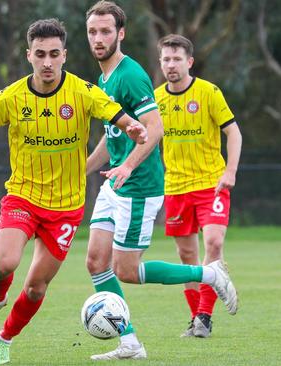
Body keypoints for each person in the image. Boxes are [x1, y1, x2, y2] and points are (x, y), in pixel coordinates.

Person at [0, 18, 151, 365]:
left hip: (66, 208)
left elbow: (119, 117)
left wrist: (134, 129)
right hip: (23, 195)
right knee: (4, 264)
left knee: (37, 286)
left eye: (54, 54)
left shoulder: (82, 93)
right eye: (41, 54)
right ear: (29, 56)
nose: (48, 62)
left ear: (65, 55)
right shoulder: (12, 96)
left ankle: (4, 338)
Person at [84, 2, 238, 359]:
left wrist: (127, 168)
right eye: (93, 31)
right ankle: (130, 343)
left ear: (120, 34)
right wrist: (84, 168)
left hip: (139, 187)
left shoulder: (131, 74)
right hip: (116, 184)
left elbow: (155, 129)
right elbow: (113, 135)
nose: (99, 38)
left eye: (106, 31)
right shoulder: (104, 79)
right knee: (95, 262)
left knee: (125, 270)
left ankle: (210, 275)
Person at [155, 34, 243, 338]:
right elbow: (144, 139)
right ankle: (196, 319)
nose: (171, 64)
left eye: (177, 59)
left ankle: (205, 315)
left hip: (211, 184)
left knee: (214, 243)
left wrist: (230, 171)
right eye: (166, 59)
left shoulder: (209, 92)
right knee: (187, 257)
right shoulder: (156, 99)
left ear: (189, 62)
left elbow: (233, 133)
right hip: (176, 187)